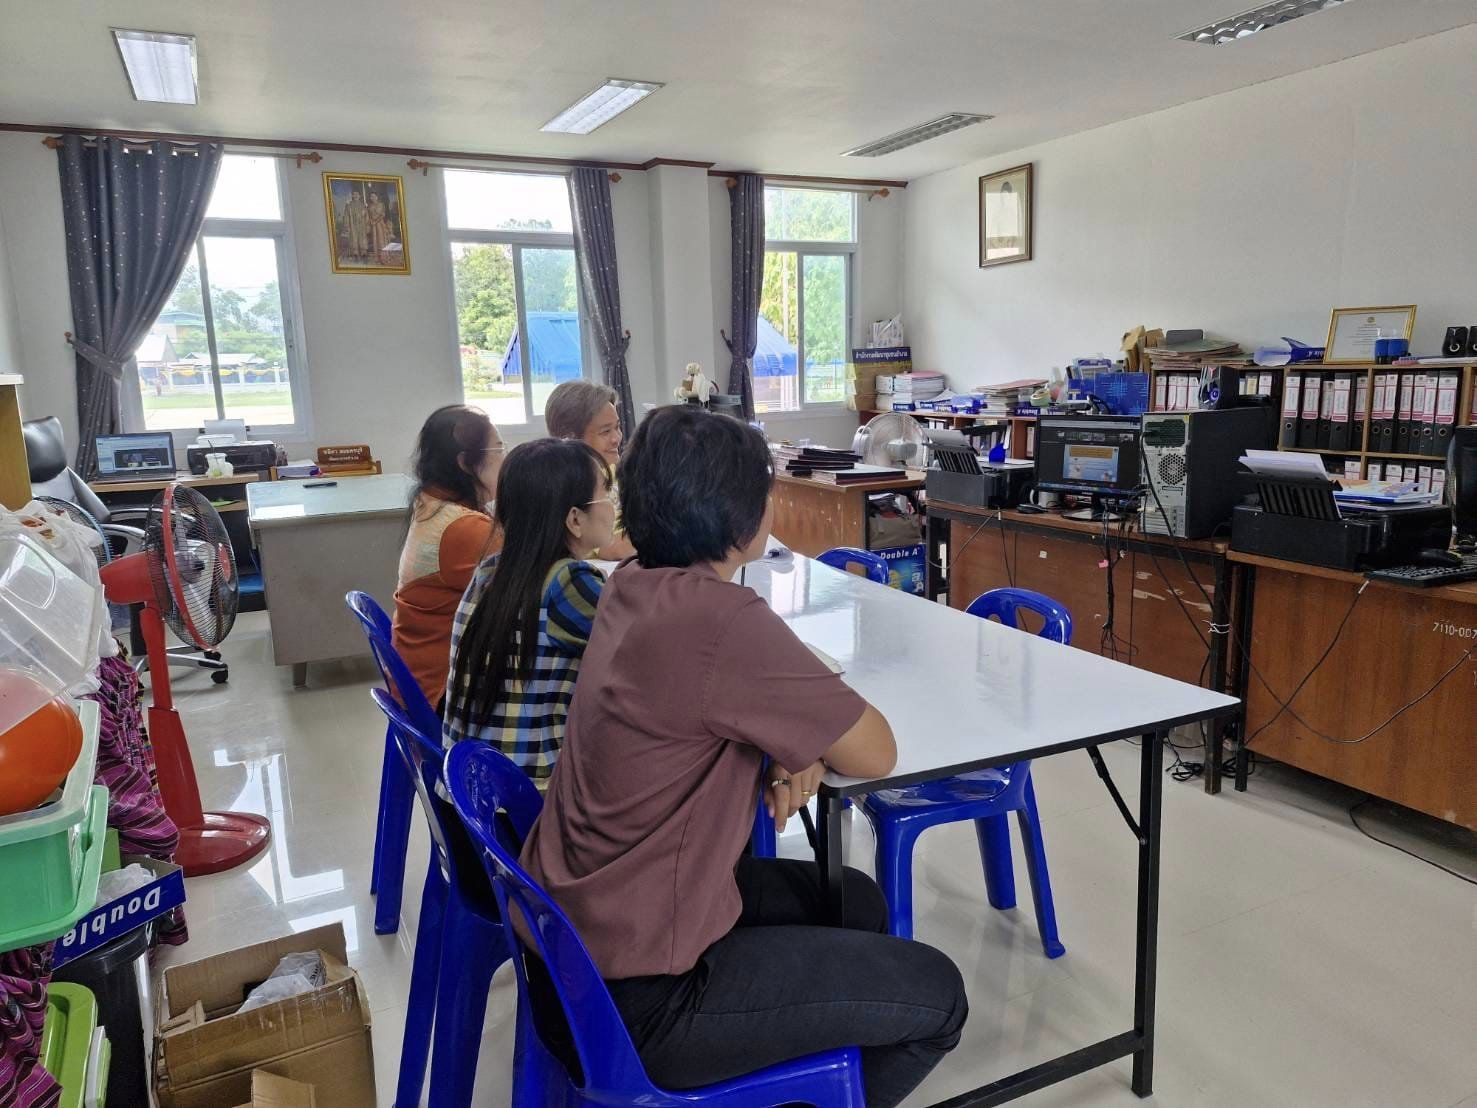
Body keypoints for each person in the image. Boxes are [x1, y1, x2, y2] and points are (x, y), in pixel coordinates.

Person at [519, 406, 968, 1108]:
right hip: (642, 1002)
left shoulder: (631, 584)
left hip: (572, 944)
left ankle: (806, 1075)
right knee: (938, 998)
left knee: (851, 898)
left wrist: (788, 739)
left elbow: (693, 708)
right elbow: (874, 751)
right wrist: (799, 737)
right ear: (740, 513)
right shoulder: (722, 619)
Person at [443, 439, 613, 785]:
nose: (614, 505)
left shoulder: (492, 570)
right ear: (575, 519)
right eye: (607, 494)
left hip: (470, 794)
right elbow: (649, 653)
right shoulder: (568, 583)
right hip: (526, 806)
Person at [392, 405, 503, 706]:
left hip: (418, 679)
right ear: (466, 463)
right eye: (498, 449)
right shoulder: (464, 528)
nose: (503, 460)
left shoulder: (430, 501)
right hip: (443, 691)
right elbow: (531, 589)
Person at [544, 380, 634, 559]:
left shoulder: (614, 470)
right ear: (569, 438)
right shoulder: (569, 487)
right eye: (605, 432)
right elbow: (613, 547)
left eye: (617, 427)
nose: (617, 438)